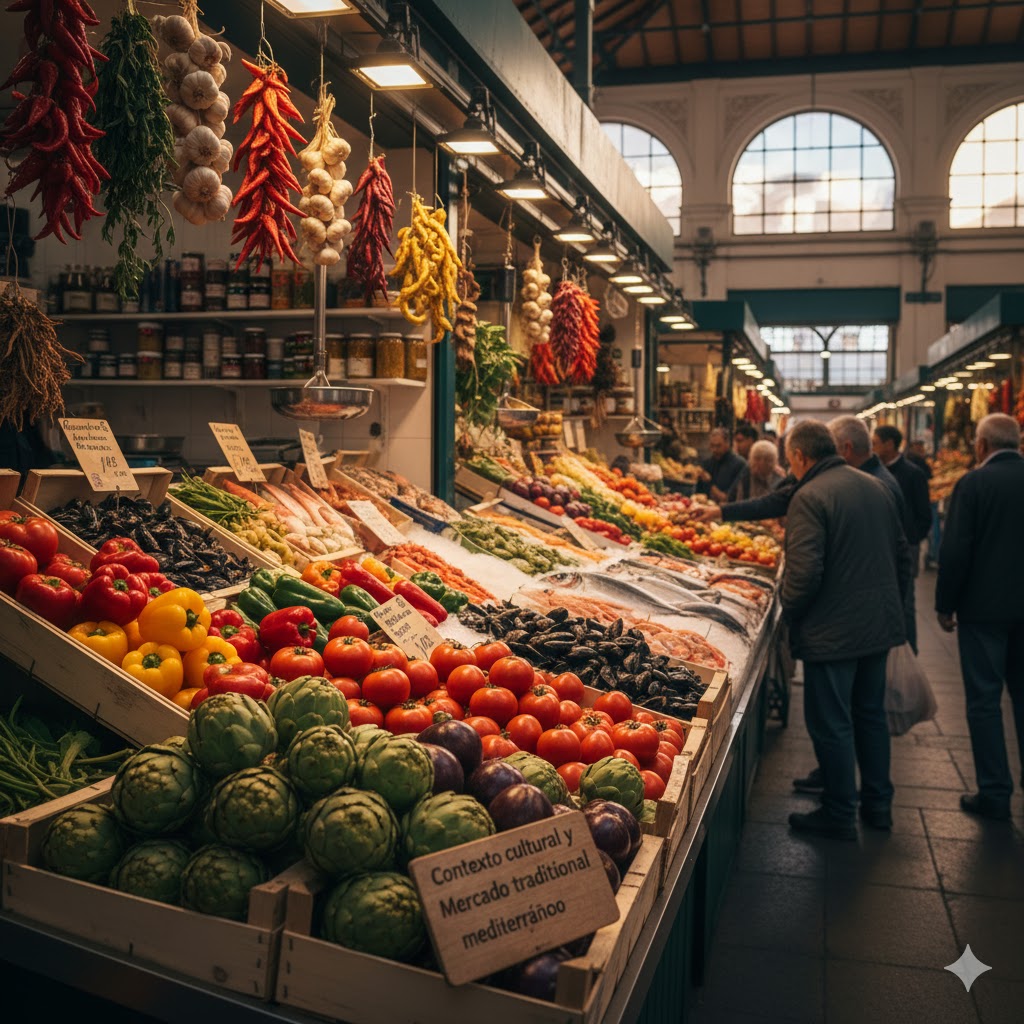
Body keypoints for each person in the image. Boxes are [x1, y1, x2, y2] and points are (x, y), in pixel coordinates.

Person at [781, 421, 911, 839]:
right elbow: (902, 556)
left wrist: (789, 612)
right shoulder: (876, 485)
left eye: (790, 461)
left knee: (831, 720)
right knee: (869, 715)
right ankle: (879, 805)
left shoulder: (810, 495)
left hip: (832, 632)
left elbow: (803, 576)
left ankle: (839, 812)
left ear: (801, 456)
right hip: (877, 625)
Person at [935, 413, 1024, 821]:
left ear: (983, 445)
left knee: (985, 701)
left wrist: (945, 604)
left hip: (983, 611)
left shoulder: (973, 484)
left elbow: (955, 551)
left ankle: (994, 791)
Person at [872, 424, 933, 652]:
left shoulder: (912, 473)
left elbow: (924, 515)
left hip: (906, 546)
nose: (873, 447)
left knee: (906, 602)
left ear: (889, 444)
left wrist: (910, 540)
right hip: (881, 548)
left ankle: (909, 654)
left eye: (876, 443)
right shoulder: (872, 471)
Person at [697, 427, 746, 503]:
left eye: (718, 446)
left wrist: (709, 482)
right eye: (712, 446)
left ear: (728, 444)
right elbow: (698, 495)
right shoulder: (708, 463)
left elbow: (726, 499)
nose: (714, 450)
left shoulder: (739, 464)